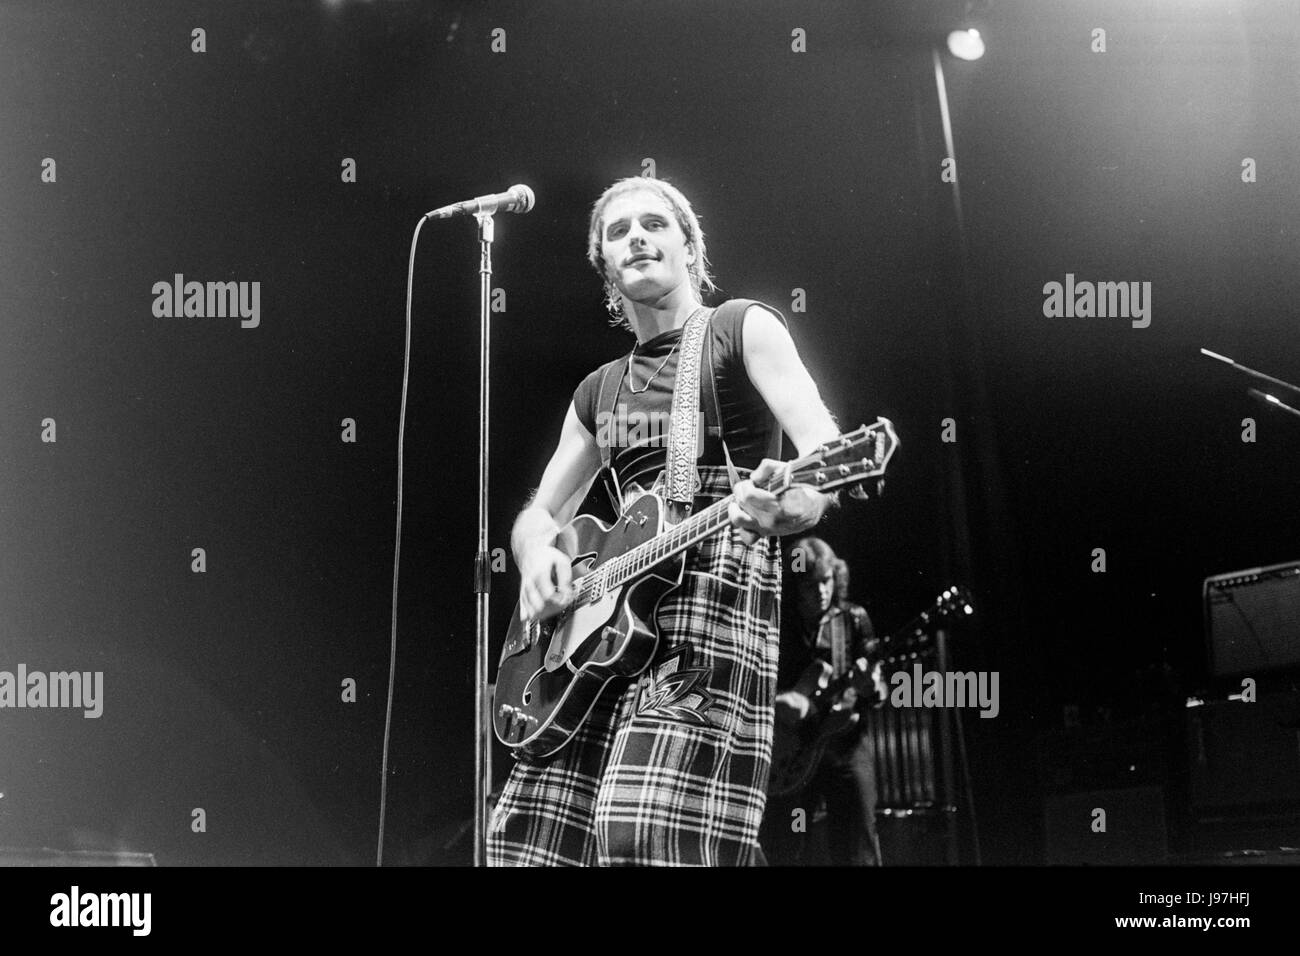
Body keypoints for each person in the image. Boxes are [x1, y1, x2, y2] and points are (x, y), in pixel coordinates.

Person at [487, 176, 843, 866]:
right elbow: (540, 514)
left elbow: (824, 459)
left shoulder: (741, 327)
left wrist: (787, 508)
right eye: (618, 232)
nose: (637, 238)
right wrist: (535, 558)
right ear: (604, 264)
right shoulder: (598, 389)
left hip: (712, 588)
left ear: (689, 247)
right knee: (530, 844)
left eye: (655, 224)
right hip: (600, 619)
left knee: (648, 833)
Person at [762, 537, 886, 866]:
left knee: (859, 845)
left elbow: (879, 689)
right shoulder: (776, 625)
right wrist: (782, 702)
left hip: (844, 747)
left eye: (826, 581)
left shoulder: (853, 619)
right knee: (784, 844)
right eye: (809, 584)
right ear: (794, 586)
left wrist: (870, 686)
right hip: (792, 752)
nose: (820, 591)